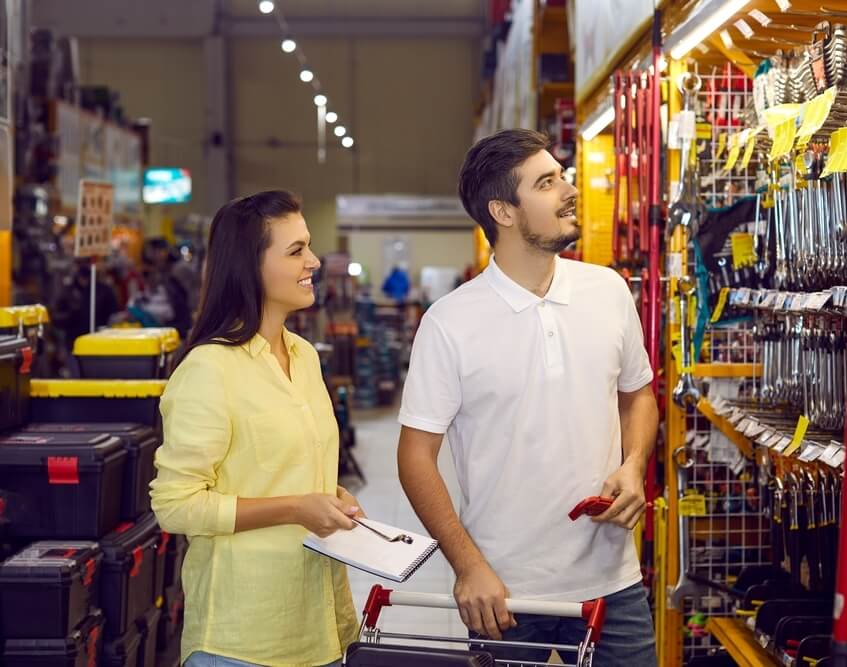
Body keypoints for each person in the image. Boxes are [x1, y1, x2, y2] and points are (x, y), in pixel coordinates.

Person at [396, 129, 659, 666]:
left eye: (562, 175)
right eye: (546, 182)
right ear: (504, 211)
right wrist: (467, 565)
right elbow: (415, 458)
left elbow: (638, 396)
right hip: (503, 592)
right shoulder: (450, 323)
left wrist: (634, 466)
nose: (568, 189)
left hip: (613, 583)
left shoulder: (607, 291)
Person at [150, 191, 362, 667]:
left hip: (320, 624)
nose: (313, 260)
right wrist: (295, 507)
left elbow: (289, 466)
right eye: (295, 251)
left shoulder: (304, 356)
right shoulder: (209, 369)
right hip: (242, 639)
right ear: (250, 265)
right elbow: (175, 506)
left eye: (308, 246)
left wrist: (332, 497)